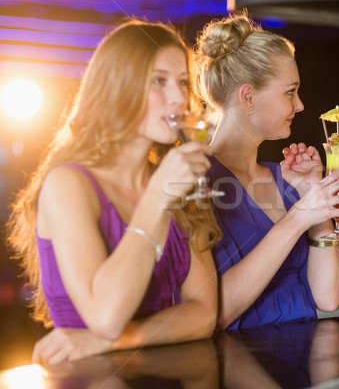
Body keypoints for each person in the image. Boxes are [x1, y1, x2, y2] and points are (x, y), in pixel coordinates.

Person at [6, 20, 219, 364]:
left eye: (182, 82)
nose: (180, 97)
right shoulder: (68, 184)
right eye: (159, 81)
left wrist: (114, 342)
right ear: (118, 87)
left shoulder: (174, 182)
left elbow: (204, 314)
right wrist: (156, 197)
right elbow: (106, 318)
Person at [195, 12, 339, 330]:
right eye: (290, 92)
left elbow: (329, 297)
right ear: (248, 97)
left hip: (308, 363)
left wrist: (314, 198)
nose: (299, 105)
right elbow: (215, 314)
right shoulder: (196, 182)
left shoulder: (285, 179)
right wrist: (299, 216)